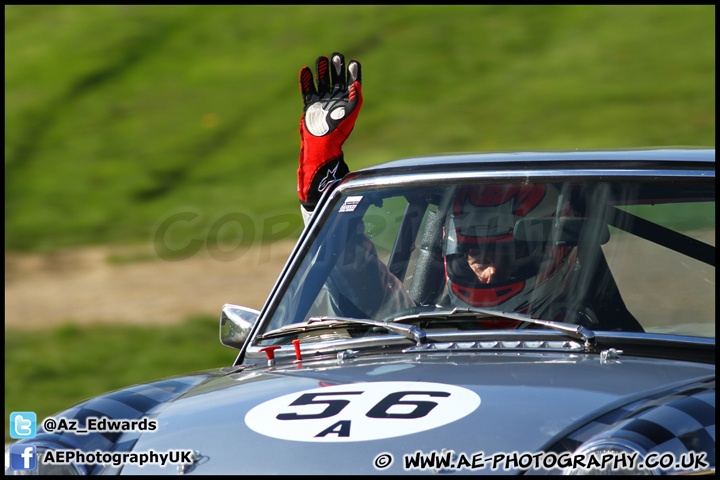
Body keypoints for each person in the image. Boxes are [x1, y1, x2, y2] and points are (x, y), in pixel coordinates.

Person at [295, 53, 584, 326]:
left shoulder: (611, 344)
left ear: (553, 251)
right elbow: (356, 278)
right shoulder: (422, 334)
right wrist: (321, 180)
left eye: (508, 254)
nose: (490, 273)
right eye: (477, 256)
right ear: (451, 253)